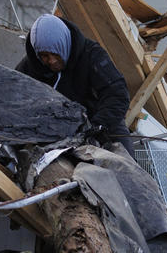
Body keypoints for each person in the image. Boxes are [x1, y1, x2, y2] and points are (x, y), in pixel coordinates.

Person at [17, 13, 134, 155]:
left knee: (126, 164)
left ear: (63, 43)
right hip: (53, 130)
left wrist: (96, 126)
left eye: (56, 53)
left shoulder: (92, 55)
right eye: (45, 56)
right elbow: (13, 95)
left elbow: (117, 94)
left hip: (98, 124)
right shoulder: (30, 67)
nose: (52, 61)